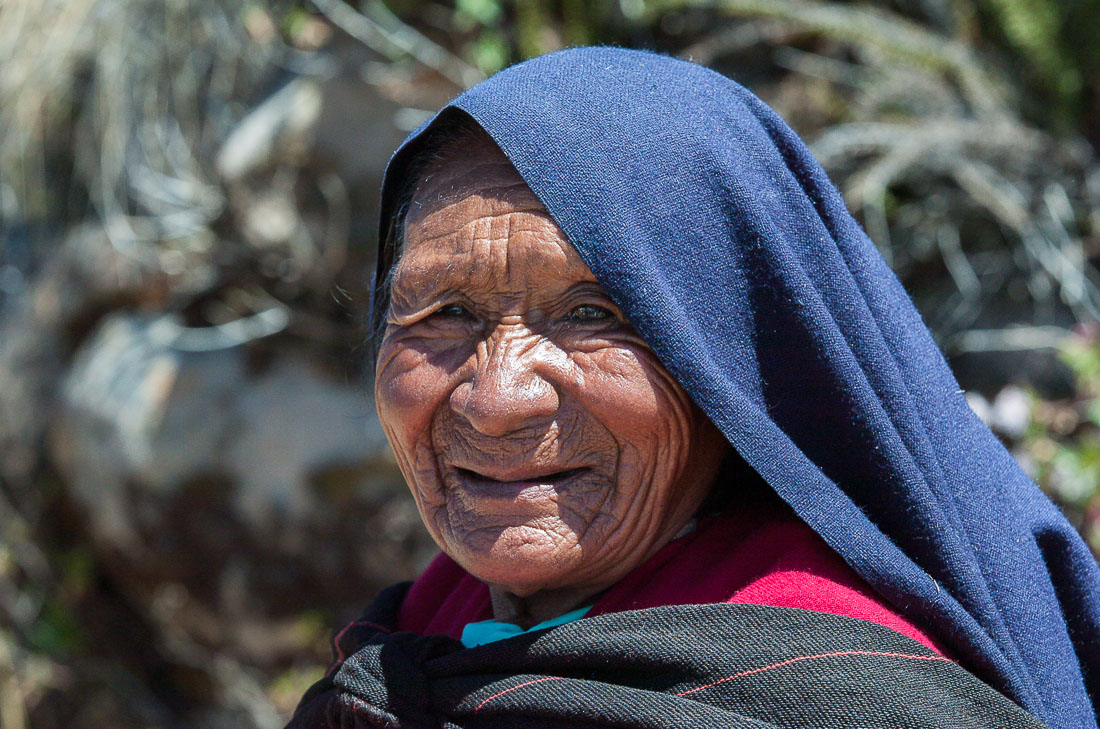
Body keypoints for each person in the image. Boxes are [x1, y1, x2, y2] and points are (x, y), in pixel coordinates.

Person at [286, 47, 1099, 728]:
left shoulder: (827, 675)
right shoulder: (427, 624)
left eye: (593, 313)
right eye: (445, 311)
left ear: (723, 362)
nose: (495, 400)